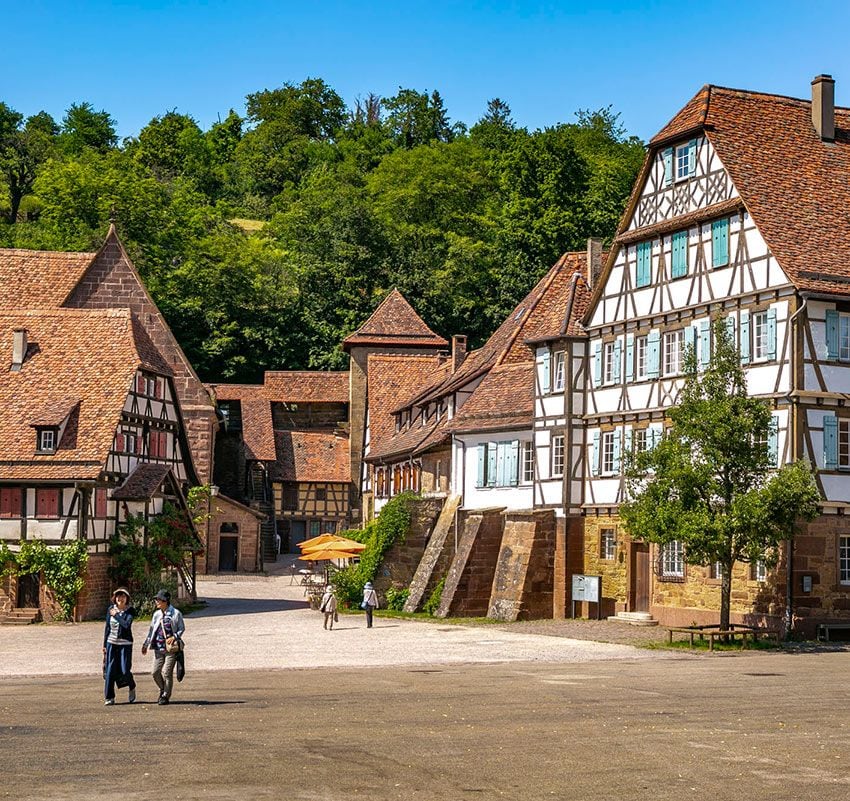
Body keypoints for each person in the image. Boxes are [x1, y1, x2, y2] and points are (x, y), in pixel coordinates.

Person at [141, 589, 185, 705]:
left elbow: (181, 628)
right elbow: (151, 631)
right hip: (158, 647)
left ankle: (166, 695)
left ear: (165, 601)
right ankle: (162, 688)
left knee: (167, 672)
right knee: (155, 672)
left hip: (171, 648)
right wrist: (146, 644)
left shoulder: (176, 613)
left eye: (159, 600)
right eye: (156, 599)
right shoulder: (156, 615)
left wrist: (174, 637)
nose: (156, 602)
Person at [102, 587, 136, 706]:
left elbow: (126, 624)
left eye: (123, 596)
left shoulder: (130, 611)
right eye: (118, 596)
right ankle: (109, 697)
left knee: (124, 669)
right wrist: (104, 644)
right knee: (110, 670)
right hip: (112, 643)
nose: (120, 598)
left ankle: (131, 685)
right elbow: (107, 627)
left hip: (125, 644)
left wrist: (116, 615)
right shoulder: (110, 609)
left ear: (127, 599)